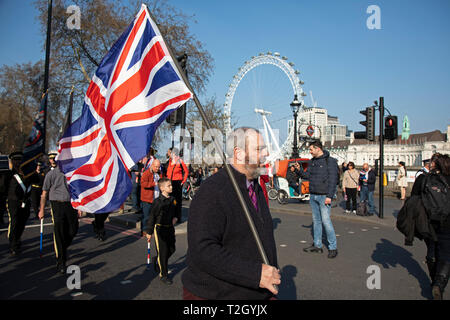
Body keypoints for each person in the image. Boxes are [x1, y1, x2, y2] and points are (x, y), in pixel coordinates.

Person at [182, 127, 280, 300]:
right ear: (239, 153)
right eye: (259, 149)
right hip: (218, 295)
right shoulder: (213, 190)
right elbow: (203, 250)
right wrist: (255, 274)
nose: (266, 154)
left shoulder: (254, 186)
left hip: (259, 292)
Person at [411, 153, 450, 300]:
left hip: (428, 220)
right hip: (448, 222)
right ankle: (439, 284)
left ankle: (434, 279)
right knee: (446, 254)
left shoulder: (424, 179)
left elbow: (413, 199)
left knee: (432, 250)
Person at [39, 151, 81, 274]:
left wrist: (80, 207)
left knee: (73, 229)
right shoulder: (50, 174)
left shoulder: (71, 173)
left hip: (69, 203)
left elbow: (76, 190)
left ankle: (63, 247)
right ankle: (61, 261)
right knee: (59, 231)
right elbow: (44, 193)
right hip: (56, 203)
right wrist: (41, 209)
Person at [297, 140, 339, 258]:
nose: (309, 152)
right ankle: (317, 245)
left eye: (311, 149)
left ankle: (333, 247)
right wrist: (298, 170)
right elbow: (307, 176)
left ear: (318, 149)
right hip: (313, 194)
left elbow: (333, 180)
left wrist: (329, 196)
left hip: (324, 196)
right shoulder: (312, 162)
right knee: (317, 221)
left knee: (326, 222)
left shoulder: (330, 161)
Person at [144, 177, 179, 285]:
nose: (171, 187)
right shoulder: (157, 202)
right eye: (169, 186)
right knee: (163, 253)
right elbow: (151, 217)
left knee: (172, 249)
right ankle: (163, 275)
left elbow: (176, 210)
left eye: (171, 185)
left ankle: (158, 260)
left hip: (170, 227)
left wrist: (176, 217)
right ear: (162, 188)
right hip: (160, 229)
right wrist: (149, 232)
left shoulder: (173, 199)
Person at [5, 151, 31, 256]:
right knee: (14, 222)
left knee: (22, 223)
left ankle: (17, 238)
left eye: (19, 159)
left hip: (25, 201)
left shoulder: (27, 172)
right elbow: (3, 188)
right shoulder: (9, 174)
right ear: (12, 161)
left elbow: (36, 181)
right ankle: (13, 244)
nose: (18, 162)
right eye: (15, 160)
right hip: (13, 201)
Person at [165, 148, 188, 222]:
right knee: (170, 200)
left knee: (177, 200)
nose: (171, 154)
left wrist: (183, 181)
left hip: (177, 182)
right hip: (170, 182)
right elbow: (168, 171)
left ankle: (178, 217)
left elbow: (186, 171)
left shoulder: (180, 161)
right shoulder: (169, 161)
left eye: (172, 153)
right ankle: (171, 216)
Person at [140, 159, 161, 235]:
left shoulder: (158, 174)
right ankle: (144, 230)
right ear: (152, 165)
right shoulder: (146, 173)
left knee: (154, 216)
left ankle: (151, 229)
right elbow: (142, 184)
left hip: (156, 199)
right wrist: (153, 184)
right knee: (146, 216)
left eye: (158, 167)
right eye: (156, 167)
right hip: (147, 199)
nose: (157, 168)